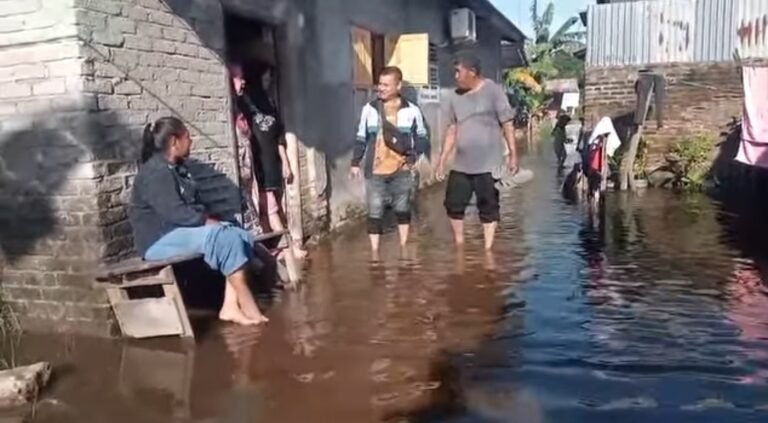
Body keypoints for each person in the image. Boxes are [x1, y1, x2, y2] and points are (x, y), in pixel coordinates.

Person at [129, 116, 269, 326]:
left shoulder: (178, 169)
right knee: (225, 238)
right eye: (187, 136)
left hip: (180, 232)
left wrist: (211, 222)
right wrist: (206, 222)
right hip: (159, 239)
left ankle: (230, 306)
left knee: (240, 235)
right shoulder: (155, 173)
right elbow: (175, 213)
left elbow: (193, 207)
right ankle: (250, 308)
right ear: (174, 141)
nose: (191, 141)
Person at [436, 52, 518, 250]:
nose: (455, 76)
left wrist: (513, 155)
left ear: (472, 72)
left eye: (458, 71)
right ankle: (459, 243)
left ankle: (488, 249)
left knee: (488, 206)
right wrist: (442, 160)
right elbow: (452, 129)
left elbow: (507, 123)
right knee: (453, 204)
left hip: (488, 164)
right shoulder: (454, 96)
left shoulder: (493, 91)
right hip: (461, 164)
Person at [231, 63, 307, 258]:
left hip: (271, 162)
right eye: (265, 78)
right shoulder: (244, 104)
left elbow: (279, 136)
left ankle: (276, 249)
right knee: (268, 207)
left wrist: (286, 162)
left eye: (270, 79)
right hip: (256, 164)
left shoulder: (270, 103)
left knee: (270, 205)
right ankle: (286, 249)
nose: (268, 82)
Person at [350, 66, 429, 253]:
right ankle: (375, 254)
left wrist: (413, 157)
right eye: (380, 84)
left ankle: (404, 248)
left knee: (402, 208)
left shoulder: (412, 110)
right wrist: (355, 162)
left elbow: (421, 136)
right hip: (375, 169)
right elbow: (361, 137)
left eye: (386, 85)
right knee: (374, 210)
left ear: (398, 86)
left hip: (402, 168)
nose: (381, 88)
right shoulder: (369, 109)